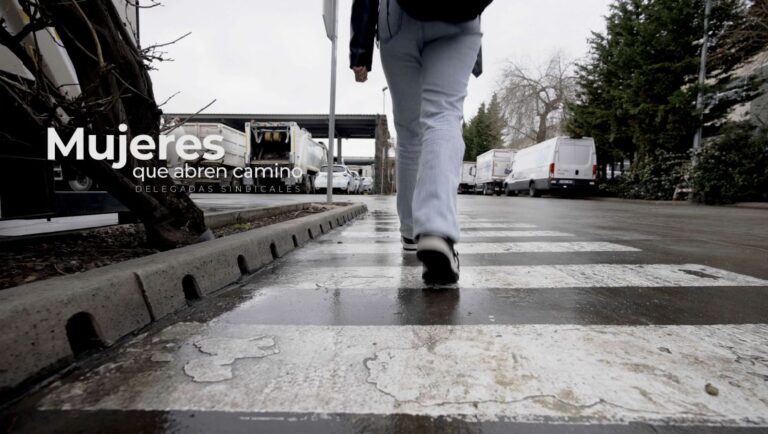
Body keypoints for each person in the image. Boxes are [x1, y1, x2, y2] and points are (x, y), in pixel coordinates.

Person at [350, 0, 489, 284]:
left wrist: (360, 48)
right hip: (459, 17)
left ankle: (411, 231)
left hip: (398, 17)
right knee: (444, 115)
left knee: (410, 133)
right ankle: (436, 229)